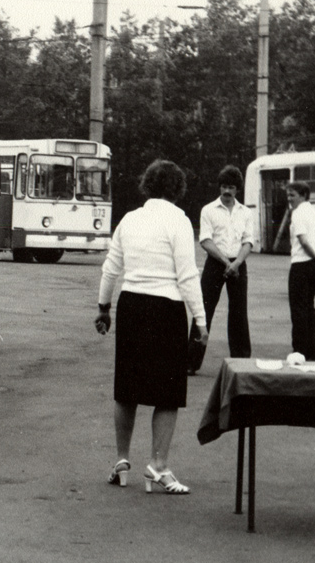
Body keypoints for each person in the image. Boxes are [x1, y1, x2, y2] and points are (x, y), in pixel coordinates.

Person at [94, 160, 207, 495]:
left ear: (146, 185)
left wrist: (104, 308)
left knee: (127, 388)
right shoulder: (180, 221)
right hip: (166, 309)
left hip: (131, 306)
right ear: (177, 188)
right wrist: (200, 319)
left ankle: (121, 460)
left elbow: (110, 269)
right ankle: (158, 466)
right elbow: (187, 276)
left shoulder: (129, 220)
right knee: (167, 393)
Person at [197, 165, 254, 362]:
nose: (227, 191)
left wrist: (236, 263)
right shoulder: (208, 210)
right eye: (223, 186)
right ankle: (191, 361)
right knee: (203, 309)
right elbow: (205, 240)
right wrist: (225, 262)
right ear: (219, 187)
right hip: (215, 263)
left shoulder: (245, 212)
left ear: (237, 189)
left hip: (238, 264)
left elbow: (248, 241)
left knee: (239, 312)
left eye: (231, 187)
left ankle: (241, 359)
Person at [285, 181, 315, 361]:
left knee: (298, 309)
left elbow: (303, 241)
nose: (289, 199)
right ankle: (311, 351)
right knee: (308, 307)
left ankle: (299, 351)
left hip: (302, 263)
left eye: (292, 195)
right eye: (288, 195)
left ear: (303, 195)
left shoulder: (298, 213)